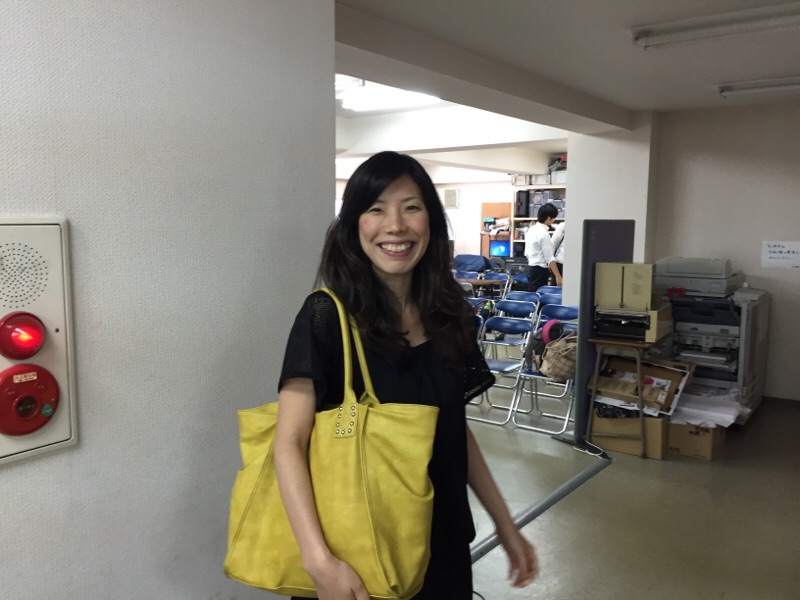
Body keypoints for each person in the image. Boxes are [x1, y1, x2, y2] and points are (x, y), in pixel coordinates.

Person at [274, 151, 538, 600]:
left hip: (443, 542)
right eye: (376, 209)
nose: (395, 226)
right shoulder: (327, 316)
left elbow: (453, 429)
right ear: (353, 224)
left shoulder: (449, 315)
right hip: (360, 548)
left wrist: (505, 524)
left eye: (411, 207)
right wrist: (319, 562)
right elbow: (289, 443)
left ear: (430, 220)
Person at [524, 203, 562, 291]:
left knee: (533, 295)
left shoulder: (531, 229)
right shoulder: (544, 234)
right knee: (539, 296)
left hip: (530, 267)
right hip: (539, 270)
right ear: (549, 218)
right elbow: (549, 258)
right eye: (553, 218)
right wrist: (558, 276)